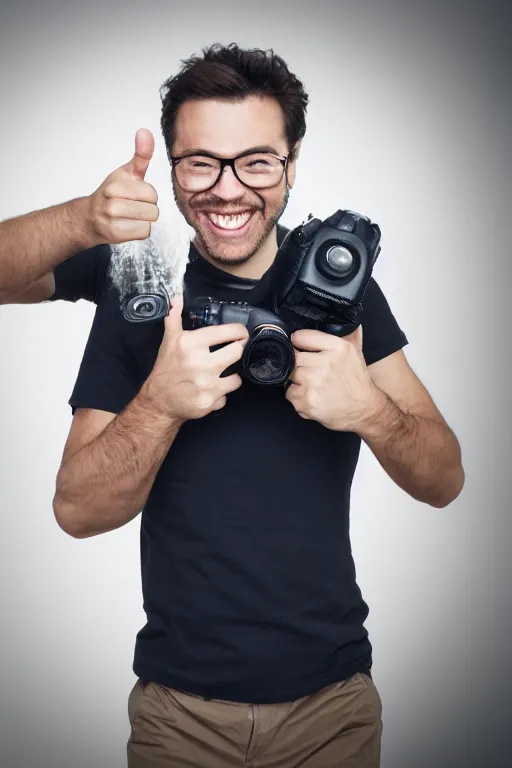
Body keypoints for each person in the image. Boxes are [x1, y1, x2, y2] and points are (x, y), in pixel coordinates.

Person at [2, 44, 464, 768]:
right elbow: (77, 512)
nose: (227, 189)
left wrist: (369, 408)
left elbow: (445, 481)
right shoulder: (137, 276)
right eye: (201, 163)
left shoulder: (339, 286)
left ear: (291, 161)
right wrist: (85, 222)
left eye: (256, 161)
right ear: (174, 166)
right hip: (179, 712)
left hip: (333, 706)